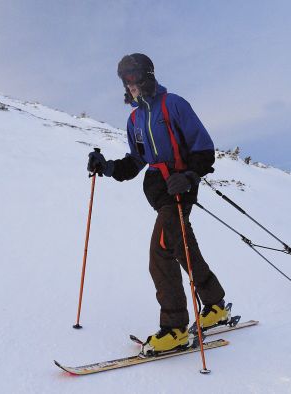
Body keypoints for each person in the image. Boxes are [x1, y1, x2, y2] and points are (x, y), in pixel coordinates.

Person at [87, 53, 228, 353]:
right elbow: (136, 161)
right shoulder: (134, 119)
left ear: (148, 75)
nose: (131, 83)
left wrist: (189, 176)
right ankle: (216, 305)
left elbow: (203, 148)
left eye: (135, 75)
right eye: (125, 78)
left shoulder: (174, 104)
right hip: (159, 191)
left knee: (160, 252)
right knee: (181, 246)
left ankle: (175, 327)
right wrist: (106, 167)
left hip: (180, 188)